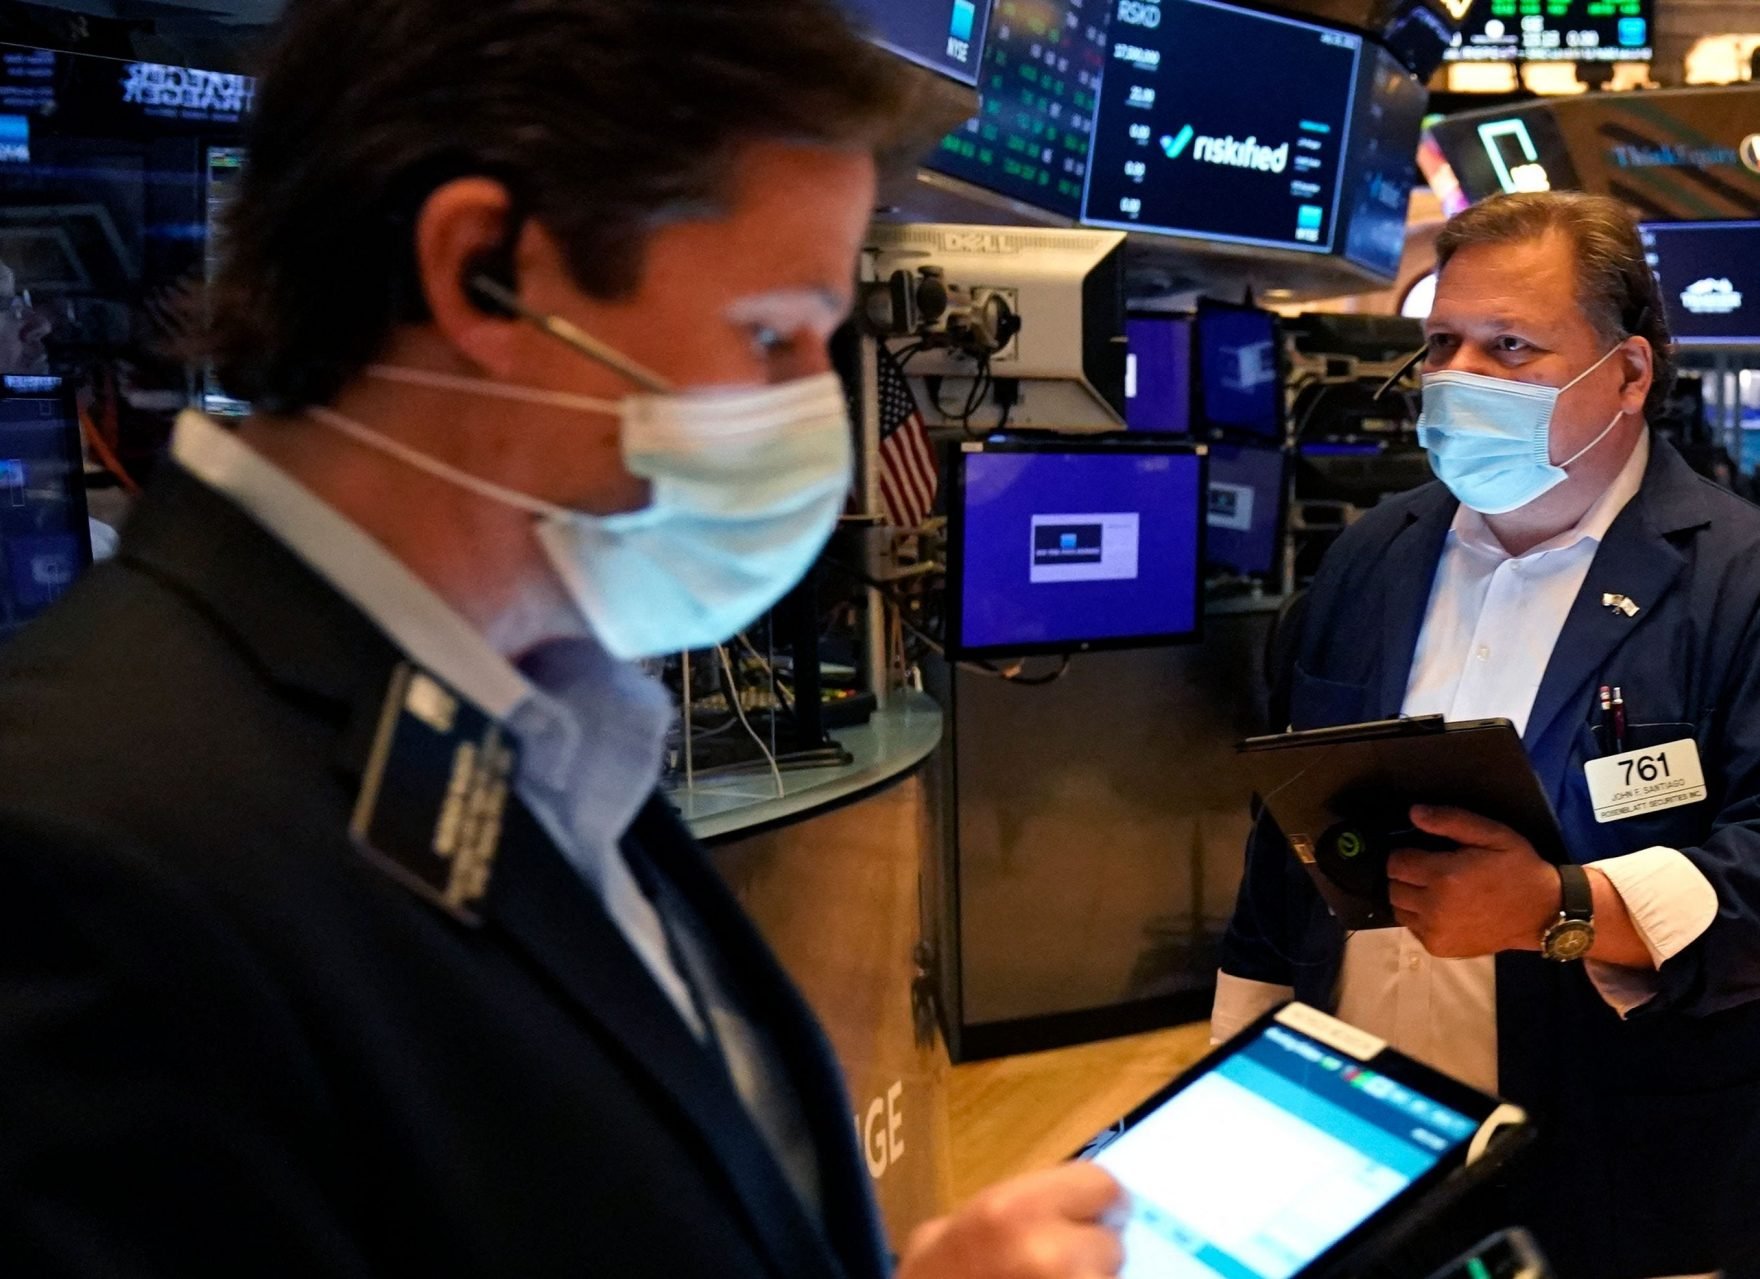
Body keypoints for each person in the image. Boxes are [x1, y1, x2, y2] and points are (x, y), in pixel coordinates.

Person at [0, 3, 1124, 1276]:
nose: (821, 419)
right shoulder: (81, 858)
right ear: (482, 268)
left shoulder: (541, 720)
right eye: (770, 334)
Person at [1216, 191, 1760, 1279]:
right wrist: (1239, 1076)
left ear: (1626, 375)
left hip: (1636, 1170)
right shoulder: (1369, 559)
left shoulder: (1752, 583)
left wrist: (1560, 908)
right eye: (1442, 342)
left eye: (1510, 347)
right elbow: (1281, 847)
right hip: (1362, 1153)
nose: (1459, 377)